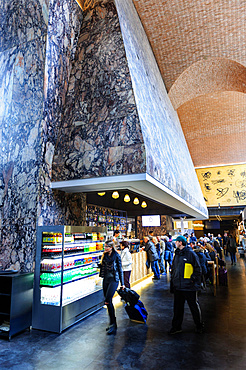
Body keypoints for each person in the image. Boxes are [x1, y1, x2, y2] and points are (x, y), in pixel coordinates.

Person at [169, 235, 203, 335]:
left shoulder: (190, 254)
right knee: (177, 308)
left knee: (193, 307)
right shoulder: (177, 254)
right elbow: (174, 269)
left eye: (176, 242)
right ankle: (176, 327)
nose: (175, 243)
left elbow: (198, 269)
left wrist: (192, 280)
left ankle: (199, 325)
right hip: (178, 287)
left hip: (189, 287)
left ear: (180, 242)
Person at [99, 241, 125, 335]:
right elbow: (102, 267)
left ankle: (113, 324)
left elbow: (120, 269)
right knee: (108, 302)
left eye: (106, 247)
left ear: (111, 247)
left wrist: (123, 283)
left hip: (114, 279)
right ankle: (112, 323)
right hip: (106, 279)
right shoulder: (104, 256)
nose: (105, 248)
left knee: (108, 300)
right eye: (104, 246)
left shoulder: (116, 256)